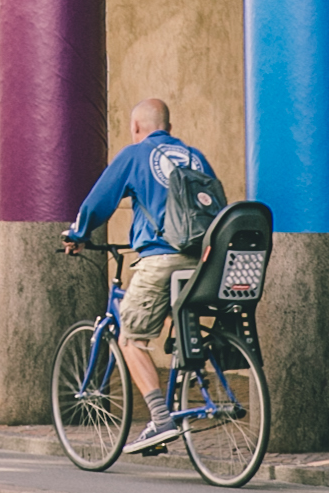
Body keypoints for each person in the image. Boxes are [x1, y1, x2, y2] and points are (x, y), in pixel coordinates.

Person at [66, 97, 218, 455]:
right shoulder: (195, 156)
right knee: (171, 318)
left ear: (137, 127)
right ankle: (190, 371)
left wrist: (78, 234)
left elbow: (99, 200)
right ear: (169, 125)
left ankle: (161, 419)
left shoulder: (135, 155)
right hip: (204, 259)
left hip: (161, 259)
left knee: (131, 338)